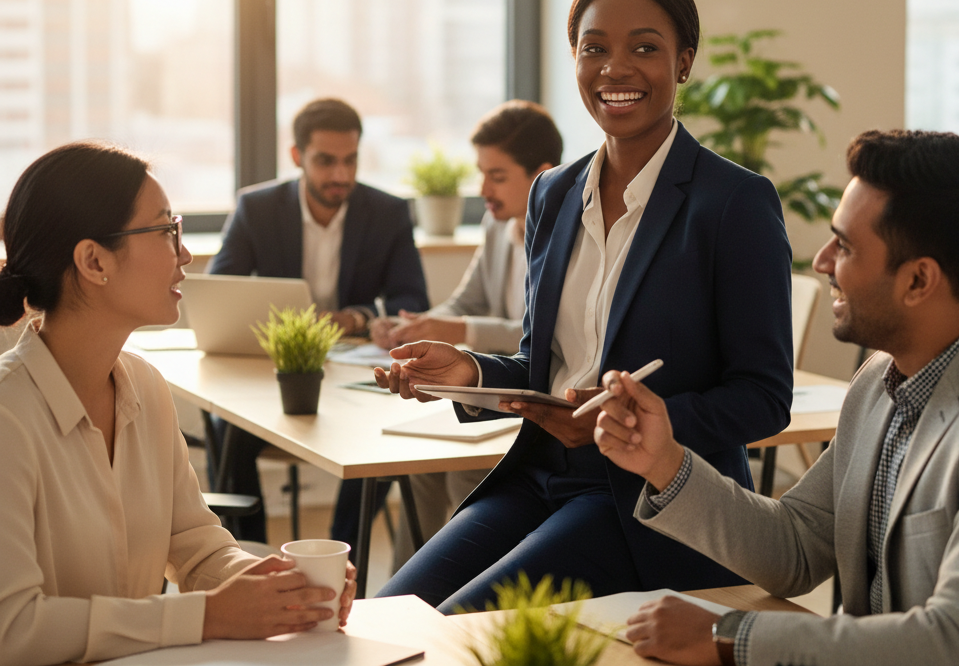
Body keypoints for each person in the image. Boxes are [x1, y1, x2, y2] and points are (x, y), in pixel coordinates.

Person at [373, 0, 794, 612]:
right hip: (539, 475)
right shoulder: (554, 193)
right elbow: (543, 362)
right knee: (389, 613)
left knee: (457, 627)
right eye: (594, 48)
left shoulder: (733, 203)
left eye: (645, 48)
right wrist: (467, 372)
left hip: (645, 501)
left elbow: (764, 398)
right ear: (573, 58)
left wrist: (632, 424)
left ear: (683, 63)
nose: (614, 68)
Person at [594, 129, 959, 666]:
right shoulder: (878, 382)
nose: (820, 262)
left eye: (843, 246)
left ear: (918, 281)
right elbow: (796, 546)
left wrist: (730, 637)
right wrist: (665, 462)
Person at [0, 142, 356, 666]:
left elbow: (194, 543)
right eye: (167, 231)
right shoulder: (9, 415)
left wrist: (277, 589)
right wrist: (206, 616)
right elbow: (14, 629)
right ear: (94, 260)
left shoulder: (144, 385)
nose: (185, 254)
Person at [208, 96, 429, 544]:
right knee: (226, 428)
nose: (340, 175)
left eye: (350, 161)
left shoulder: (386, 212)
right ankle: (249, 554)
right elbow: (219, 291)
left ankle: (339, 554)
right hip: (275, 372)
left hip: (351, 371)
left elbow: (413, 298)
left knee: (384, 430)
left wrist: (354, 318)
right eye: (326, 161)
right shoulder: (257, 208)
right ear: (297, 156)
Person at [371, 99, 563, 567]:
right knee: (421, 468)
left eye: (497, 176)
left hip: (535, 401)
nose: (484, 191)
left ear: (543, 175)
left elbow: (542, 338)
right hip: (489, 391)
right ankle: (403, 598)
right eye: (482, 174)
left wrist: (456, 327)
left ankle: (456, 592)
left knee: (462, 470)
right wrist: (416, 328)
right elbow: (467, 301)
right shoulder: (497, 226)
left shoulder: (566, 232)